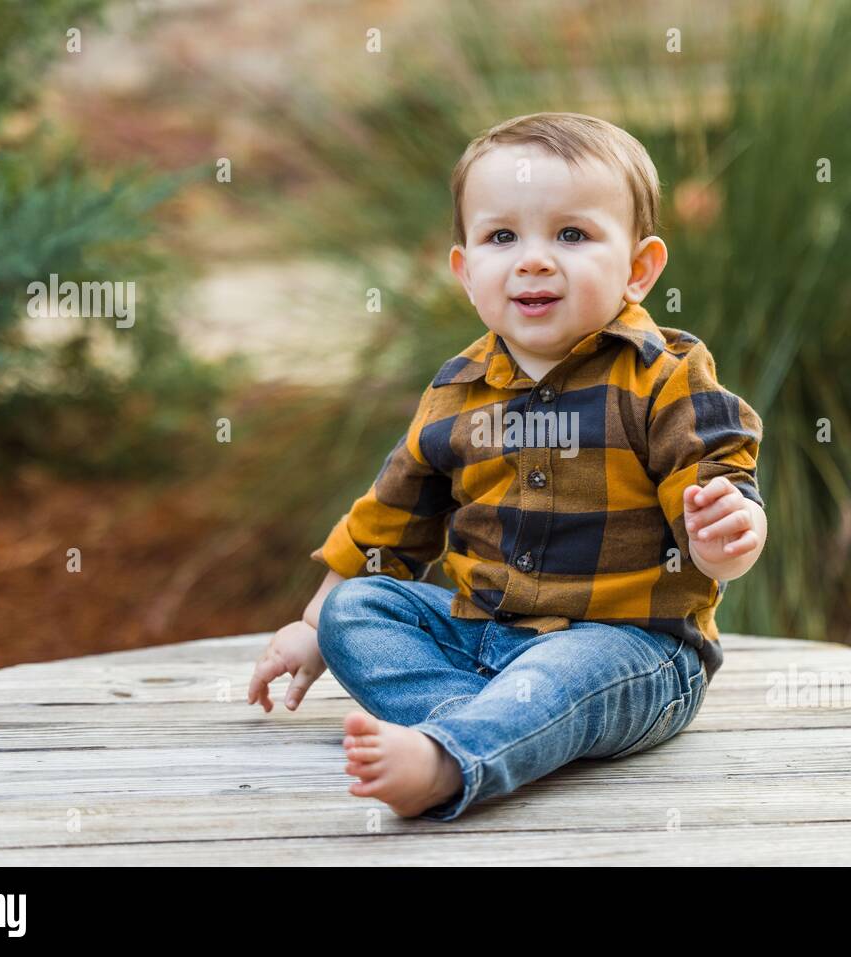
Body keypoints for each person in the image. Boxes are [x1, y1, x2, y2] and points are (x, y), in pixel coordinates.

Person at [247, 111, 767, 821]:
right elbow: (388, 521)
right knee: (356, 609)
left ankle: (451, 757)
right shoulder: (456, 390)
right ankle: (499, 727)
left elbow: (717, 480)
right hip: (483, 637)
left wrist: (726, 537)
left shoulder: (665, 377)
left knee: (568, 668)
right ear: (466, 270)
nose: (533, 259)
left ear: (639, 269)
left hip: (629, 649)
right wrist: (314, 628)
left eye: (572, 235)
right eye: (501, 237)